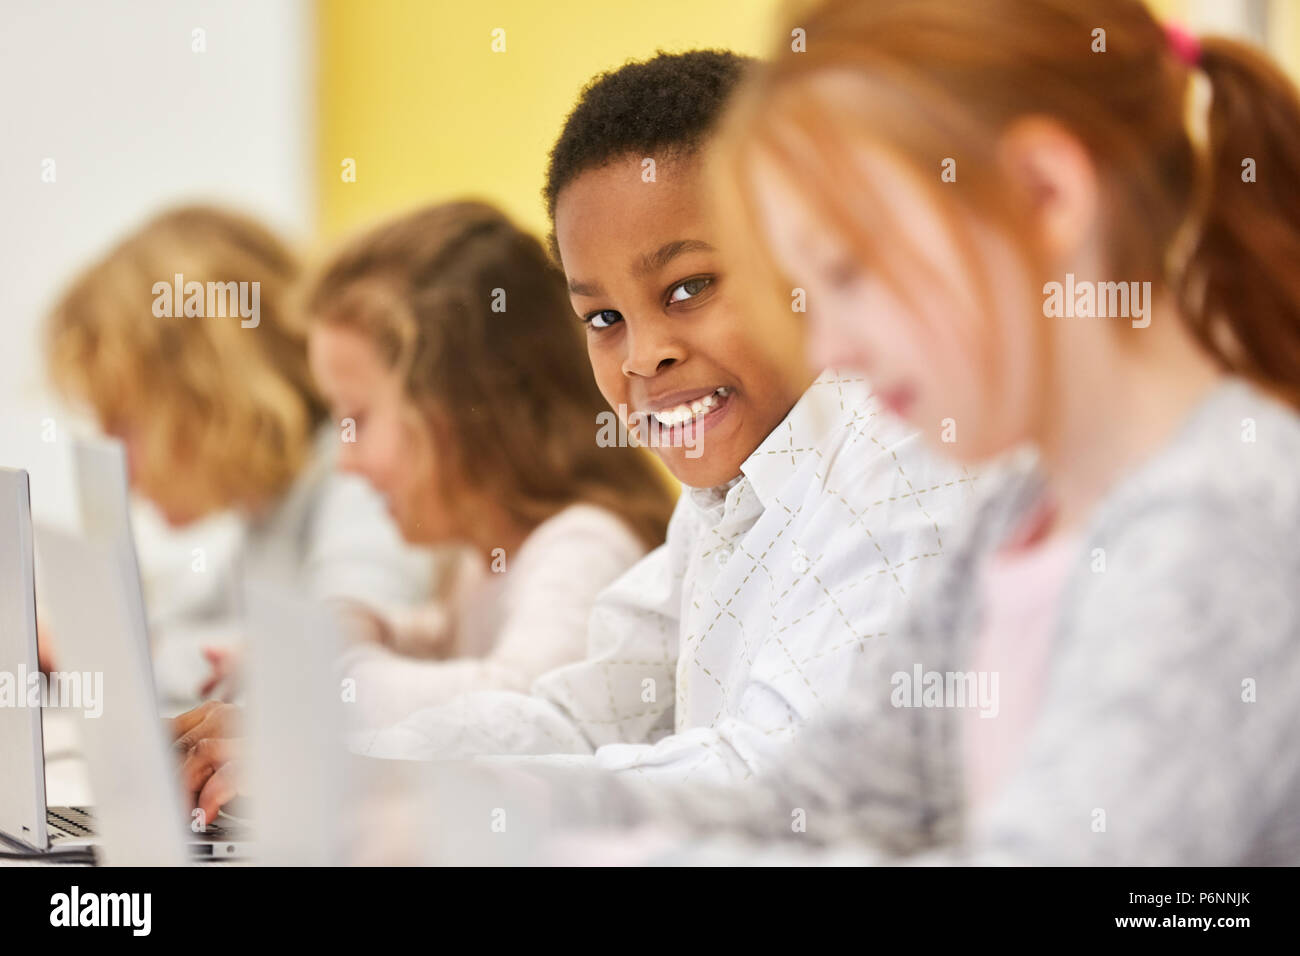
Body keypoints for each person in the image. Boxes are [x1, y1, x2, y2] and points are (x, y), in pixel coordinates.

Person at [442, 0, 1300, 866]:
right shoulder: (1017, 514)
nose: (827, 346)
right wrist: (449, 809)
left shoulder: (1219, 521)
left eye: (851, 273)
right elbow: (812, 800)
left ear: (1045, 197)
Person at [174, 51, 974, 823]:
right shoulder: (724, 503)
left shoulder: (897, 457)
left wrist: (383, 783)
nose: (642, 353)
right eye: (603, 318)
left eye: (689, 287)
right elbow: (583, 717)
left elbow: (776, 779)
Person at [44, 205, 434, 708]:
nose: (117, 457)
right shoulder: (270, 509)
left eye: (123, 420)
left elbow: (333, 653)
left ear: (208, 400)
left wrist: (102, 655)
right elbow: (190, 620)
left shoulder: (358, 477)